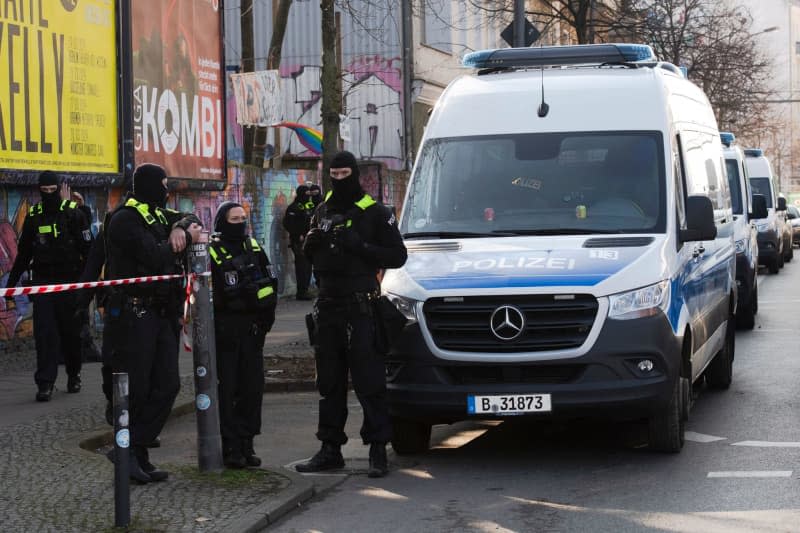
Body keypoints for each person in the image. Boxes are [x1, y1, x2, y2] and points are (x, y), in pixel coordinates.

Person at [295, 151, 407, 478]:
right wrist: (310, 245)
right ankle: (330, 449)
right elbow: (311, 256)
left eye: (345, 174)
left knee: (369, 382)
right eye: (335, 174)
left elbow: (397, 256)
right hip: (328, 307)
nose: (339, 180)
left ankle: (377, 450)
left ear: (355, 174)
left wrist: (360, 246)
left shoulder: (375, 213)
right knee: (329, 384)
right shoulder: (322, 211)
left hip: (361, 308)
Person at [104, 163, 202, 483]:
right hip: (134, 314)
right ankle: (127, 453)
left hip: (162, 313)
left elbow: (193, 219)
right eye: (162, 184)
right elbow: (157, 257)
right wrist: (184, 237)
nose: (166, 190)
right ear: (148, 186)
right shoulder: (124, 219)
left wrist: (182, 227)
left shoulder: (157, 214)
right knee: (139, 389)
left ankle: (136, 448)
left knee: (168, 385)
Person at [3, 171, 92, 401]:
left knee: (71, 335)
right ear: (39, 191)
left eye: (53, 191)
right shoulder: (34, 216)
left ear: (59, 189)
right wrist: (11, 287)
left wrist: (89, 286)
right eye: (45, 191)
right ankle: (45, 383)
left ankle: (74, 374)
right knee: (45, 335)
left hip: (69, 284)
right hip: (43, 285)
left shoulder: (73, 215)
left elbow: (88, 251)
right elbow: (23, 255)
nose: (50, 195)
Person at [210, 202, 278, 469]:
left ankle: (248, 443)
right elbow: (212, 294)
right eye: (234, 218)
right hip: (227, 331)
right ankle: (231, 447)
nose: (240, 223)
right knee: (228, 390)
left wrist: (264, 319)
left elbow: (271, 283)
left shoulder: (254, 247)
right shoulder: (213, 252)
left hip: (253, 330)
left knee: (252, 390)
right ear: (222, 222)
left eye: (243, 218)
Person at [282, 184, 315, 300]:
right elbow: (288, 224)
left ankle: (305, 290)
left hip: (309, 240)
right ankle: (301, 292)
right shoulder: (293, 208)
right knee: (302, 266)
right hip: (299, 242)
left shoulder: (307, 206)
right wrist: (298, 235)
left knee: (308, 266)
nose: (308, 197)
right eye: (306, 194)